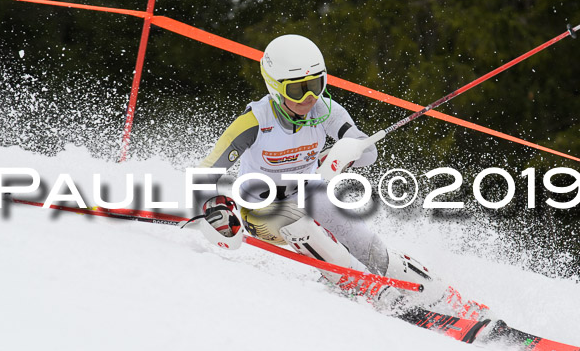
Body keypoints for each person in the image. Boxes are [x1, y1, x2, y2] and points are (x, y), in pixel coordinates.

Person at [196, 34, 488, 319]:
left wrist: (348, 150)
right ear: (275, 87)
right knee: (302, 224)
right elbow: (204, 173)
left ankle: (439, 296)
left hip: (308, 193)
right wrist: (216, 208)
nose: (309, 97)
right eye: (298, 90)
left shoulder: (326, 110)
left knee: (359, 237)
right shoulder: (254, 122)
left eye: (317, 85)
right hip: (261, 210)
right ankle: (374, 292)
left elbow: (369, 153)